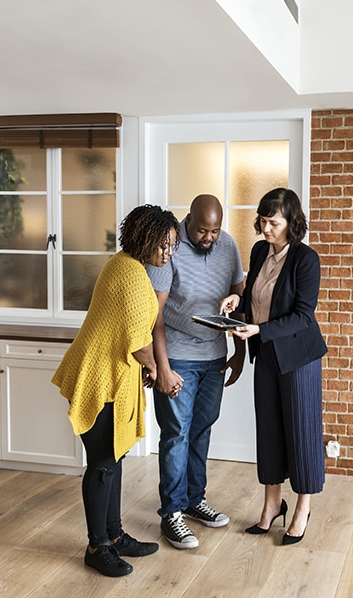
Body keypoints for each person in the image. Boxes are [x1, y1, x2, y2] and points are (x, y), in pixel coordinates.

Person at [52, 205, 180, 576]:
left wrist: (153, 368)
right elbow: (138, 341)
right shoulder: (128, 274)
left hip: (112, 376)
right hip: (99, 378)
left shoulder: (130, 266)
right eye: (164, 244)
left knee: (114, 457)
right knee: (103, 465)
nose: (167, 252)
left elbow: (136, 335)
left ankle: (113, 536)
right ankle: (96, 547)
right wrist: (159, 371)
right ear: (144, 238)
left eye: (172, 246)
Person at [220, 187, 327, 546]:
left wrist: (259, 329)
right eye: (263, 221)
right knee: (268, 430)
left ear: (291, 222)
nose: (265, 228)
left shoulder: (306, 259)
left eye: (274, 222)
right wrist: (239, 301)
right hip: (264, 353)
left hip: (298, 359)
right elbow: (256, 293)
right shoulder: (258, 250)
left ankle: (302, 507)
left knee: (301, 432)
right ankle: (271, 504)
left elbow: (302, 316)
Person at [146, 194, 245, 550]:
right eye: (203, 230)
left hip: (214, 356)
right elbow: (154, 315)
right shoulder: (169, 247)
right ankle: (171, 511)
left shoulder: (229, 245)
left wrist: (238, 351)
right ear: (189, 221)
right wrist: (163, 367)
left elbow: (238, 299)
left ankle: (192, 499)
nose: (209, 237)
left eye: (215, 231)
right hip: (178, 357)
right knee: (176, 433)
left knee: (201, 430)